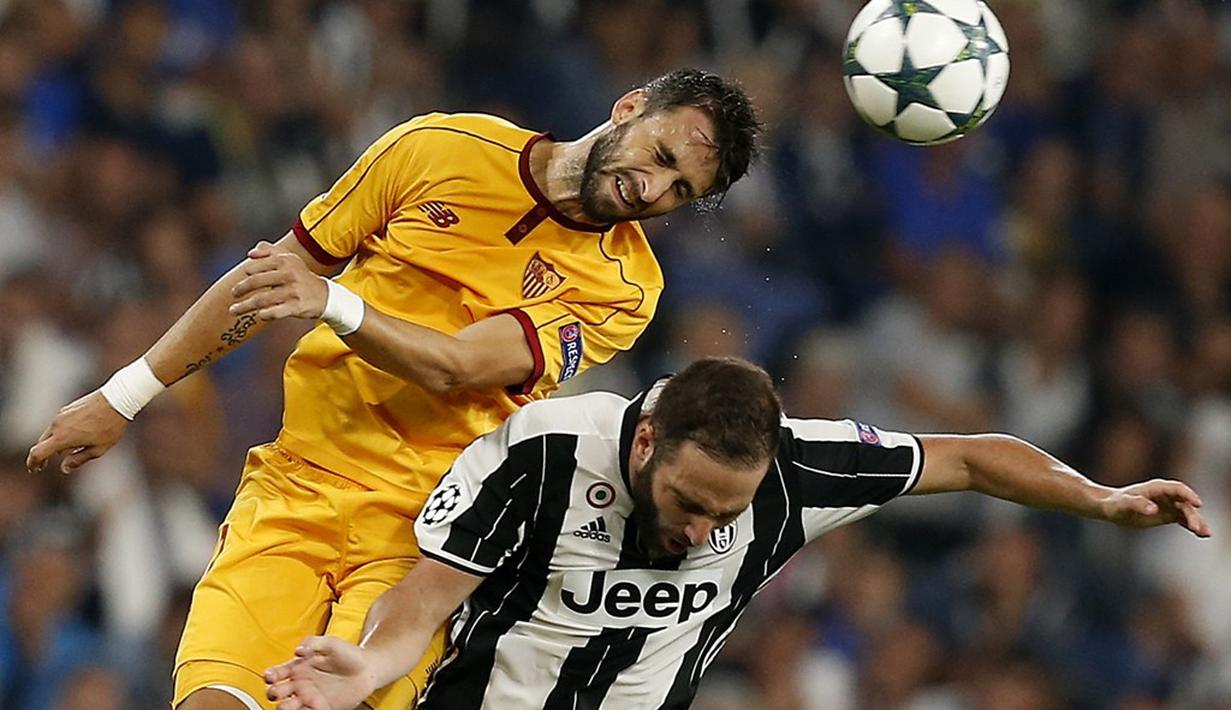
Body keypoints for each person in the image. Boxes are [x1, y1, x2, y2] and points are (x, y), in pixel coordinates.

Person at [25, 68, 762, 710]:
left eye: (681, 191)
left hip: (427, 532)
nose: (654, 190)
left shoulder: (625, 287)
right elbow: (271, 276)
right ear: (630, 107)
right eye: (662, 157)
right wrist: (121, 396)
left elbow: (457, 366)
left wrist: (335, 304)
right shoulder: (440, 148)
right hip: (293, 487)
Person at [262, 357, 1212, 710]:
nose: (705, 528)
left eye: (729, 510)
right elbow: (431, 591)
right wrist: (373, 667)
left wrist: (1097, 498)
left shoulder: (797, 468)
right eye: (689, 501)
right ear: (644, 441)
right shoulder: (543, 454)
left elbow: (964, 455)